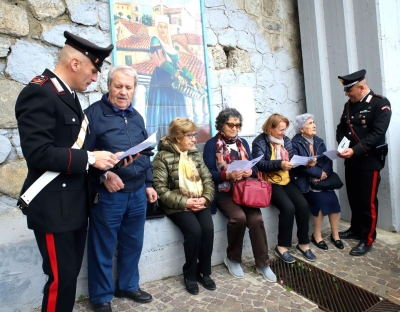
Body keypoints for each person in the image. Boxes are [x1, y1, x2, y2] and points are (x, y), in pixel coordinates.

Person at [15, 31, 118, 312]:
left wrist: (105, 165)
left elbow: (80, 151)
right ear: (75, 64)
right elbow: (39, 152)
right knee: (60, 281)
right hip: (52, 207)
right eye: (94, 70)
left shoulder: (69, 97)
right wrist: (90, 158)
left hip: (73, 206)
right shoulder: (39, 92)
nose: (96, 78)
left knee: (69, 278)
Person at [84, 66, 157, 312]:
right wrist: (104, 175)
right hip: (109, 194)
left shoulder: (137, 116)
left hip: (137, 193)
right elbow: (81, 156)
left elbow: (146, 152)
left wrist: (148, 183)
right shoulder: (92, 115)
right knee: (103, 245)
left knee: (132, 243)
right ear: (108, 86)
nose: (123, 92)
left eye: (129, 87)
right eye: (119, 86)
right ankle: (101, 297)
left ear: (135, 89)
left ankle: (127, 285)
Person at [203, 108, 276, 282]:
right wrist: (226, 175)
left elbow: (254, 166)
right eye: (231, 125)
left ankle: (263, 263)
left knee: (257, 219)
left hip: (245, 190)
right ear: (221, 125)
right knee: (239, 217)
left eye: (238, 125)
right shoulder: (212, 144)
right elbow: (207, 173)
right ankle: (232, 258)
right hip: (224, 191)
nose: (235, 128)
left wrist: (250, 170)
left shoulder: (242, 142)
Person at [152, 118, 215, 295]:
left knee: (208, 229)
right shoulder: (162, 156)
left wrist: (205, 198)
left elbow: (207, 179)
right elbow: (161, 189)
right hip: (176, 204)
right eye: (190, 136)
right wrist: (185, 202)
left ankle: (204, 271)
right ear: (178, 137)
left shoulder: (194, 153)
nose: (194, 139)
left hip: (198, 199)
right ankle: (190, 274)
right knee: (194, 231)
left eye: (194, 135)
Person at [336, 69, 391, 256]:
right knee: (354, 197)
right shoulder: (349, 105)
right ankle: (355, 228)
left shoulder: (380, 104)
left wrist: (355, 150)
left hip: (370, 160)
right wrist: (342, 146)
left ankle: (367, 238)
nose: (346, 94)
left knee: (368, 201)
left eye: (349, 90)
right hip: (350, 159)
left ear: (361, 87)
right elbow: (341, 128)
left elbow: (377, 134)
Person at [252, 113, 316, 263]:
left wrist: (305, 163)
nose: (284, 133)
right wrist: (279, 164)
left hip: (287, 180)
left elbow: (293, 159)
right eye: (281, 130)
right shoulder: (259, 142)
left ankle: (303, 244)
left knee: (303, 205)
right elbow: (259, 164)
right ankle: (282, 247)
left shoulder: (285, 140)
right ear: (270, 129)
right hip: (269, 182)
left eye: (285, 129)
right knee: (288, 208)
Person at [145, 15, 204, 140]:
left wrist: (190, 77)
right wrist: (175, 73)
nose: (162, 29)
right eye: (160, 26)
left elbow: (179, 63)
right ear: (157, 27)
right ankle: (165, 139)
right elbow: (160, 60)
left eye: (165, 27)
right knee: (164, 110)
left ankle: (179, 139)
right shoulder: (155, 40)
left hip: (175, 83)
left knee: (178, 111)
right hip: (162, 80)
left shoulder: (170, 44)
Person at [292, 114, 343, 251]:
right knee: (319, 200)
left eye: (313, 122)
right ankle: (317, 235)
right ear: (301, 129)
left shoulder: (319, 141)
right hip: (305, 182)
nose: (314, 125)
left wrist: (323, 175)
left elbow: (327, 160)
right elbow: (298, 166)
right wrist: (317, 173)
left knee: (333, 199)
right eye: (309, 123)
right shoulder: (294, 143)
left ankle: (336, 235)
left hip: (321, 180)